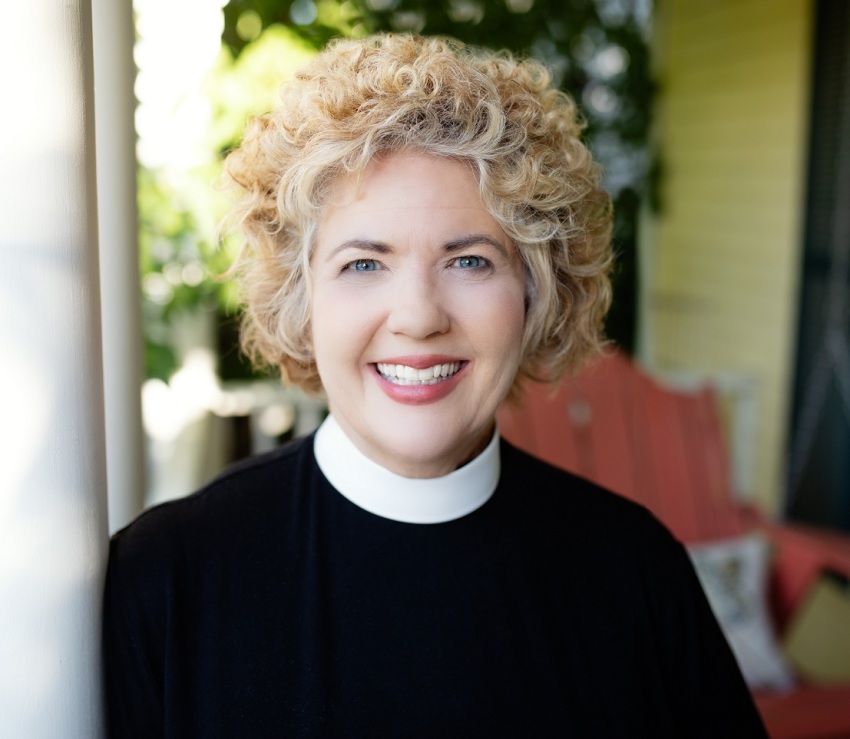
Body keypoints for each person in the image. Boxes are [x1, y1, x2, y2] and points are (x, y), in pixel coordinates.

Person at [103, 34, 767, 737]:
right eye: (364, 264)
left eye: (470, 261)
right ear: (300, 300)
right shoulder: (166, 581)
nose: (418, 317)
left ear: (537, 293)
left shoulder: (634, 573)